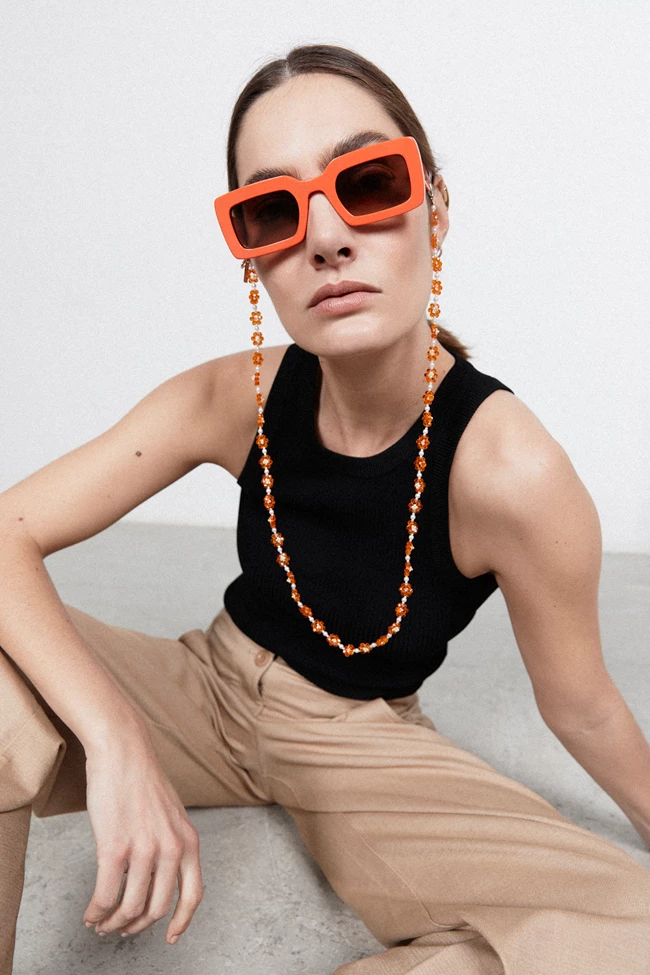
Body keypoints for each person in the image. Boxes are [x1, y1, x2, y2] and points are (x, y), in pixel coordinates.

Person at [1, 41, 649, 975]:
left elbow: (582, 706)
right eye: (274, 210)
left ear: (435, 208)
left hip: (358, 741)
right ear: (253, 256)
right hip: (204, 689)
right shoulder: (236, 395)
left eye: (368, 183)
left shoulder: (512, 470)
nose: (327, 238)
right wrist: (118, 740)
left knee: (632, 930)